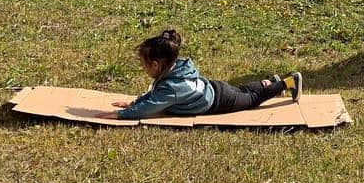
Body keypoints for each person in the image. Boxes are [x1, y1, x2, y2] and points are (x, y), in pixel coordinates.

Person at [106, 29, 302, 120]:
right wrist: (134, 102)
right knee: (244, 90)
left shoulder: (172, 88)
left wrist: (123, 114)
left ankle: (287, 82)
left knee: (251, 99)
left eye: (143, 64)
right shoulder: (176, 69)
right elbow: (153, 96)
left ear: (156, 65)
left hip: (219, 101)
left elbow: (150, 106)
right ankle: (268, 83)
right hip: (216, 88)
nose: (142, 68)